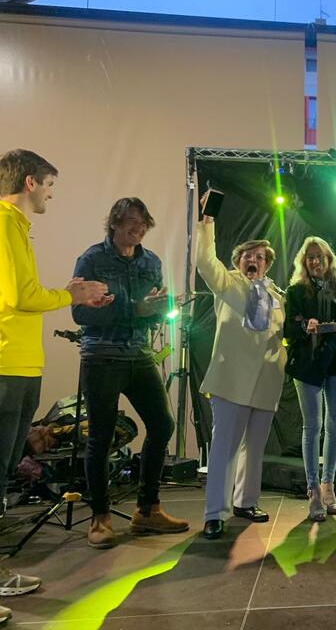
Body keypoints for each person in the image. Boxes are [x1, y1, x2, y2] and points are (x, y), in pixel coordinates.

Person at [0, 149, 110, 620]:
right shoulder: (5, 222)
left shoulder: (17, 227)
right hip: (7, 366)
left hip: (22, 366)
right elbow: (20, 296)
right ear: (30, 182)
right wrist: (72, 294)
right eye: (49, 185)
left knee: (6, 471)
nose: (51, 194)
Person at [72, 198, 190, 548]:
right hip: (102, 356)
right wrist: (133, 308)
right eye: (131, 223)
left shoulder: (151, 261)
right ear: (115, 222)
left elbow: (151, 312)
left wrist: (161, 308)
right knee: (101, 437)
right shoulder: (92, 259)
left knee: (162, 425)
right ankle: (100, 517)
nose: (138, 230)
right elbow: (80, 314)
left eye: (143, 224)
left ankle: (147, 509)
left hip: (139, 353)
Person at [196, 192, 286, 540]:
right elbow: (206, 263)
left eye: (260, 257)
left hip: (266, 381)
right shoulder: (228, 284)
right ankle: (214, 514)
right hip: (232, 380)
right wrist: (207, 222)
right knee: (224, 449)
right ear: (238, 260)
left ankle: (246, 502)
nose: (254, 260)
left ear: (267, 264)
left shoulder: (276, 295)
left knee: (255, 449)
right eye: (248, 255)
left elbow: (278, 334)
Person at [284, 236, 336, 521]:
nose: (315, 261)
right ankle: (313, 490)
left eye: (319, 256)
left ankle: (329, 486)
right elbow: (288, 329)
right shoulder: (296, 291)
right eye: (310, 257)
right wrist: (306, 326)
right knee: (312, 426)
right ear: (303, 262)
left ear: (329, 259)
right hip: (308, 367)